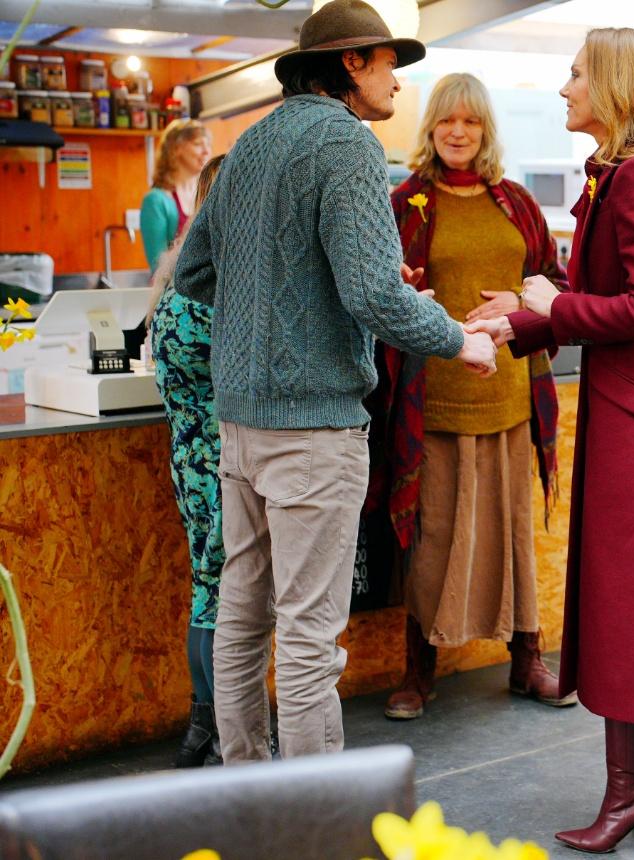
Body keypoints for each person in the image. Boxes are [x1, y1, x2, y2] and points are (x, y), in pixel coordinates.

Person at [173, 0, 497, 763]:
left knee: (243, 620)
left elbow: (194, 273)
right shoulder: (347, 148)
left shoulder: (247, 145)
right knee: (312, 640)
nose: (395, 82)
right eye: (389, 62)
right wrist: (459, 340)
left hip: (241, 428)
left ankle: (249, 793)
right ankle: (315, 828)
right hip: (313, 432)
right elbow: (375, 297)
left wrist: (288, 307)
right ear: (351, 62)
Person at [469, 27, 634, 854]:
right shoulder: (628, 176)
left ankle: (633, 795)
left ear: (615, 86)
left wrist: (545, 309)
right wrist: (527, 319)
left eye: (577, 73)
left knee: (632, 608)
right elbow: (610, 300)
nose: (564, 87)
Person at [377, 72, 573, 721]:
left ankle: (527, 660)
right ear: (430, 129)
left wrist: (526, 298)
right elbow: (374, 296)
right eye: (447, 121)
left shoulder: (515, 202)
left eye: (471, 121)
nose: (458, 132)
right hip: (431, 404)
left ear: (486, 130)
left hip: (512, 400)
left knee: (514, 534)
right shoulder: (403, 204)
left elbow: (556, 283)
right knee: (430, 540)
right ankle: (418, 669)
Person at [149, 152, 225, 768]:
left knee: (209, 592)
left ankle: (206, 723)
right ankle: (228, 725)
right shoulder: (214, 288)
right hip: (223, 463)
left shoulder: (176, 277)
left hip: (190, 459)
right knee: (232, 601)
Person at [141, 119, 212, 273]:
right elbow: (158, 267)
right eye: (198, 144)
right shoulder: (156, 201)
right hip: (175, 293)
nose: (207, 151)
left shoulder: (210, 195)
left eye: (208, 145)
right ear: (176, 149)